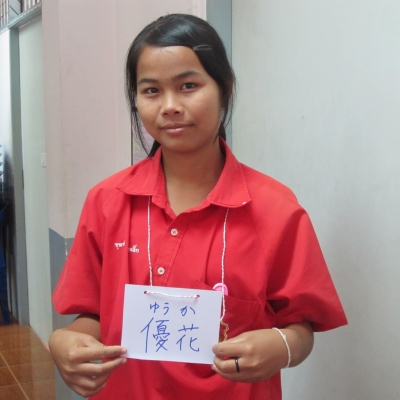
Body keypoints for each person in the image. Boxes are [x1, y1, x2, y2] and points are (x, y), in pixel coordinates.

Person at [49, 13, 347, 400]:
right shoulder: (107, 201)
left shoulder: (275, 209)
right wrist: (64, 341)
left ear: (225, 88)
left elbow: (301, 328)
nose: (170, 106)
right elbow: (93, 315)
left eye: (188, 85)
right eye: (151, 90)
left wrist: (283, 347)